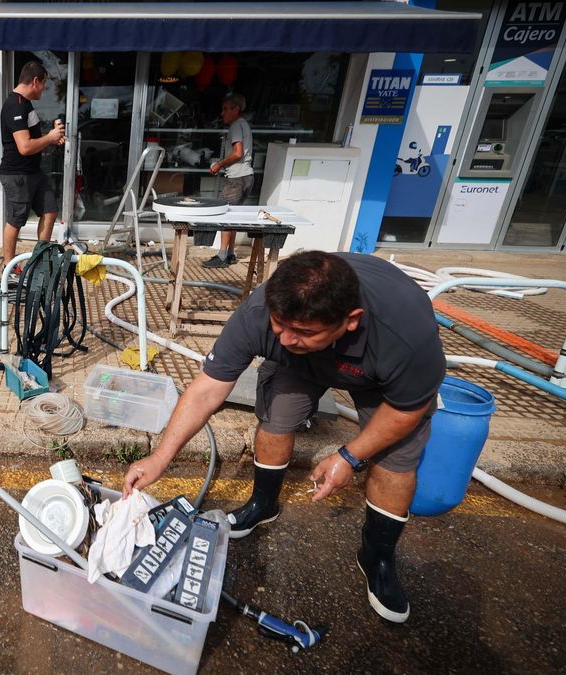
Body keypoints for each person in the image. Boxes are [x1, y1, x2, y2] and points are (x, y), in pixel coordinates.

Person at [123, 251, 445, 624]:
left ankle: (378, 557)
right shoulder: (260, 313)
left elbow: (406, 411)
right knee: (276, 419)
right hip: (303, 366)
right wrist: (159, 457)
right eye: (280, 325)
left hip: (380, 381)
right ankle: (263, 504)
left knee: (395, 462)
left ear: (351, 320)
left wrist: (349, 456)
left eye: (304, 331)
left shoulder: (405, 333)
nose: (287, 338)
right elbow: (207, 390)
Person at [0, 60, 66, 270]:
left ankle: (39, 262)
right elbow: (25, 147)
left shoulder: (25, 104)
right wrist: (50, 137)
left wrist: (51, 137)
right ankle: (9, 267)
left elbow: (31, 138)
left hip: (33, 172)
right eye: (44, 83)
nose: (44, 89)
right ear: (35, 81)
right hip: (17, 175)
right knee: (16, 220)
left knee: (50, 210)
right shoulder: (15, 105)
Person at [202, 93, 254, 269]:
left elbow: (238, 153)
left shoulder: (236, 126)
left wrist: (219, 164)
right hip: (247, 176)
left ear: (235, 109)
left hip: (236, 177)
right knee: (233, 216)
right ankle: (230, 253)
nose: (222, 113)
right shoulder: (244, 124)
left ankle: (222, 255)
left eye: (225, 109)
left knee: (225, 215)